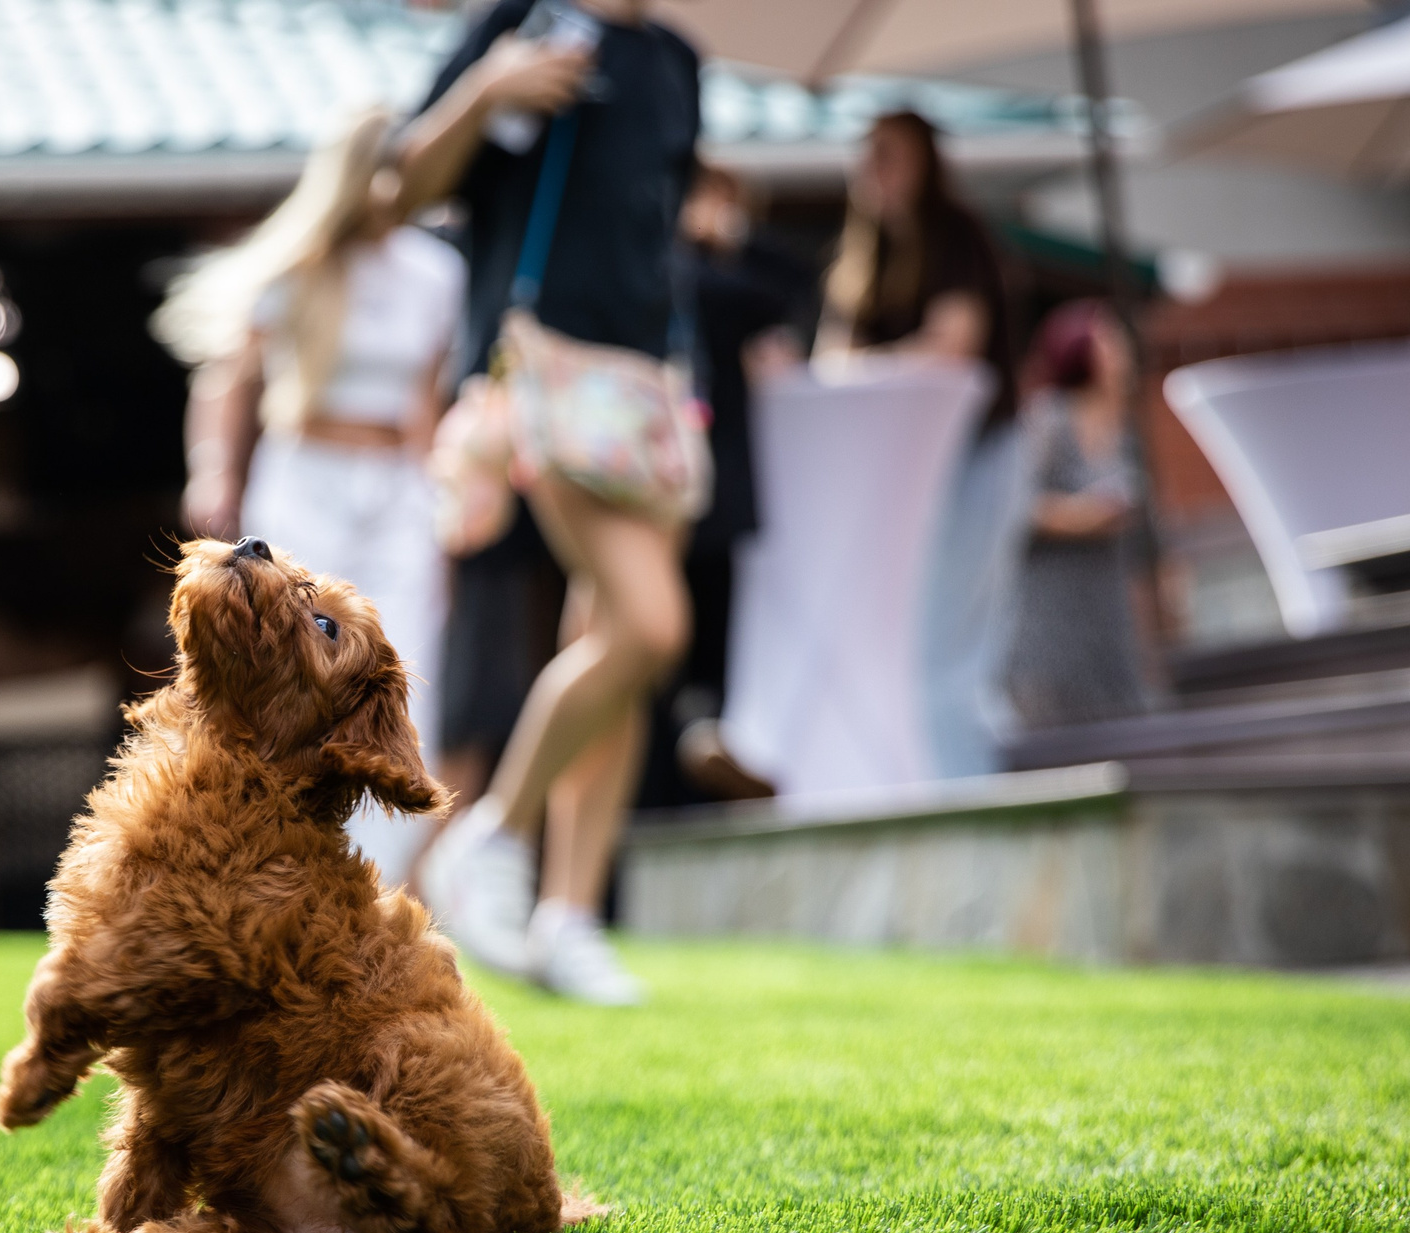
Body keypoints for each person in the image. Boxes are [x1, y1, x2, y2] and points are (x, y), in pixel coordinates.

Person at [403, 0, 702, 1006]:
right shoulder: (523, 21)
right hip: (544, 368)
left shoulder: (672, 61)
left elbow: (659, 224)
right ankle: (492, 834)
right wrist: (489, 88)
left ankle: (568, 917)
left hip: (647, 387)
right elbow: (403, 181)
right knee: (653, 626)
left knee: (609, 643)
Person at [154, 107, 467, 888]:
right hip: (305, 474)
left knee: (400, 666)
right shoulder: (297, 265)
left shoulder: (438, 273)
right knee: (282, 660)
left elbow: (427, 403)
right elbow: (230, 381)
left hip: (397, 487)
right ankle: (252, 845)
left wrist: (444, 508)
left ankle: (375, 877)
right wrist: (212, 473)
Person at [814, 109, 1024, 779]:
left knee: (951, 648)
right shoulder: (861, 257)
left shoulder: (956, 236)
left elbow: (951, 347)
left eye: (890, 154)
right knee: (908, 644)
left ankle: (971, 787)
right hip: (906, 480)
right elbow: (830, 361)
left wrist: (874, 365)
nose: (875, 169)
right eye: (868, 155)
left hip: (975, 458)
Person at [651, 162, 805, 805]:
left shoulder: (735, 270)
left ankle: (705, 769)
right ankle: (667, 778)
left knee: (714, 649)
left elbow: (790, 288)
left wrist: (733, 239)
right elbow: (741, 299)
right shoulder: (666, 268)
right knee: (665, 648)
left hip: (718, 495)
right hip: (662, 489)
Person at [1003, 300, 1152, 730]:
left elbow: (1145, 537)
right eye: (1110, 342)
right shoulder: (1049, 418)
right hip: (1049, 613)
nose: (1122, 352)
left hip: (1108, 612)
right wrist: (1082, 517)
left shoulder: (1127, 433)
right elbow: (1014, 509)